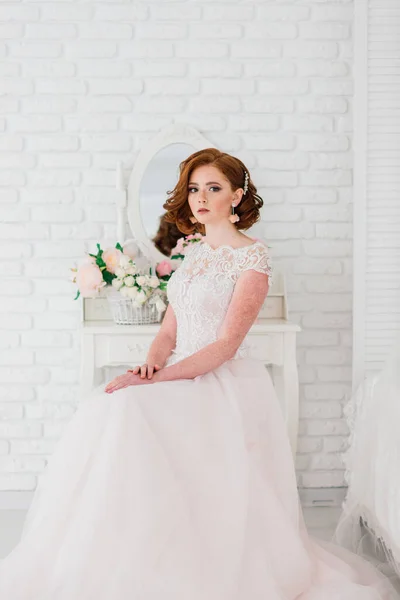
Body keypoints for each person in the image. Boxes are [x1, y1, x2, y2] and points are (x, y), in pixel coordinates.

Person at [0, 148, 398, 599]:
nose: (200, 198)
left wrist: (154, 381)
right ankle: (119, 550)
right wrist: (151, 361)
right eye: (194, 188)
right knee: (108, 408)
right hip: (178, 368)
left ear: (237, 196)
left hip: (218, 380)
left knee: (128, 407)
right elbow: (170, 327)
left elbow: (224, 347)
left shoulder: (253, 259)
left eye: (213, 188)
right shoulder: (193, 250)